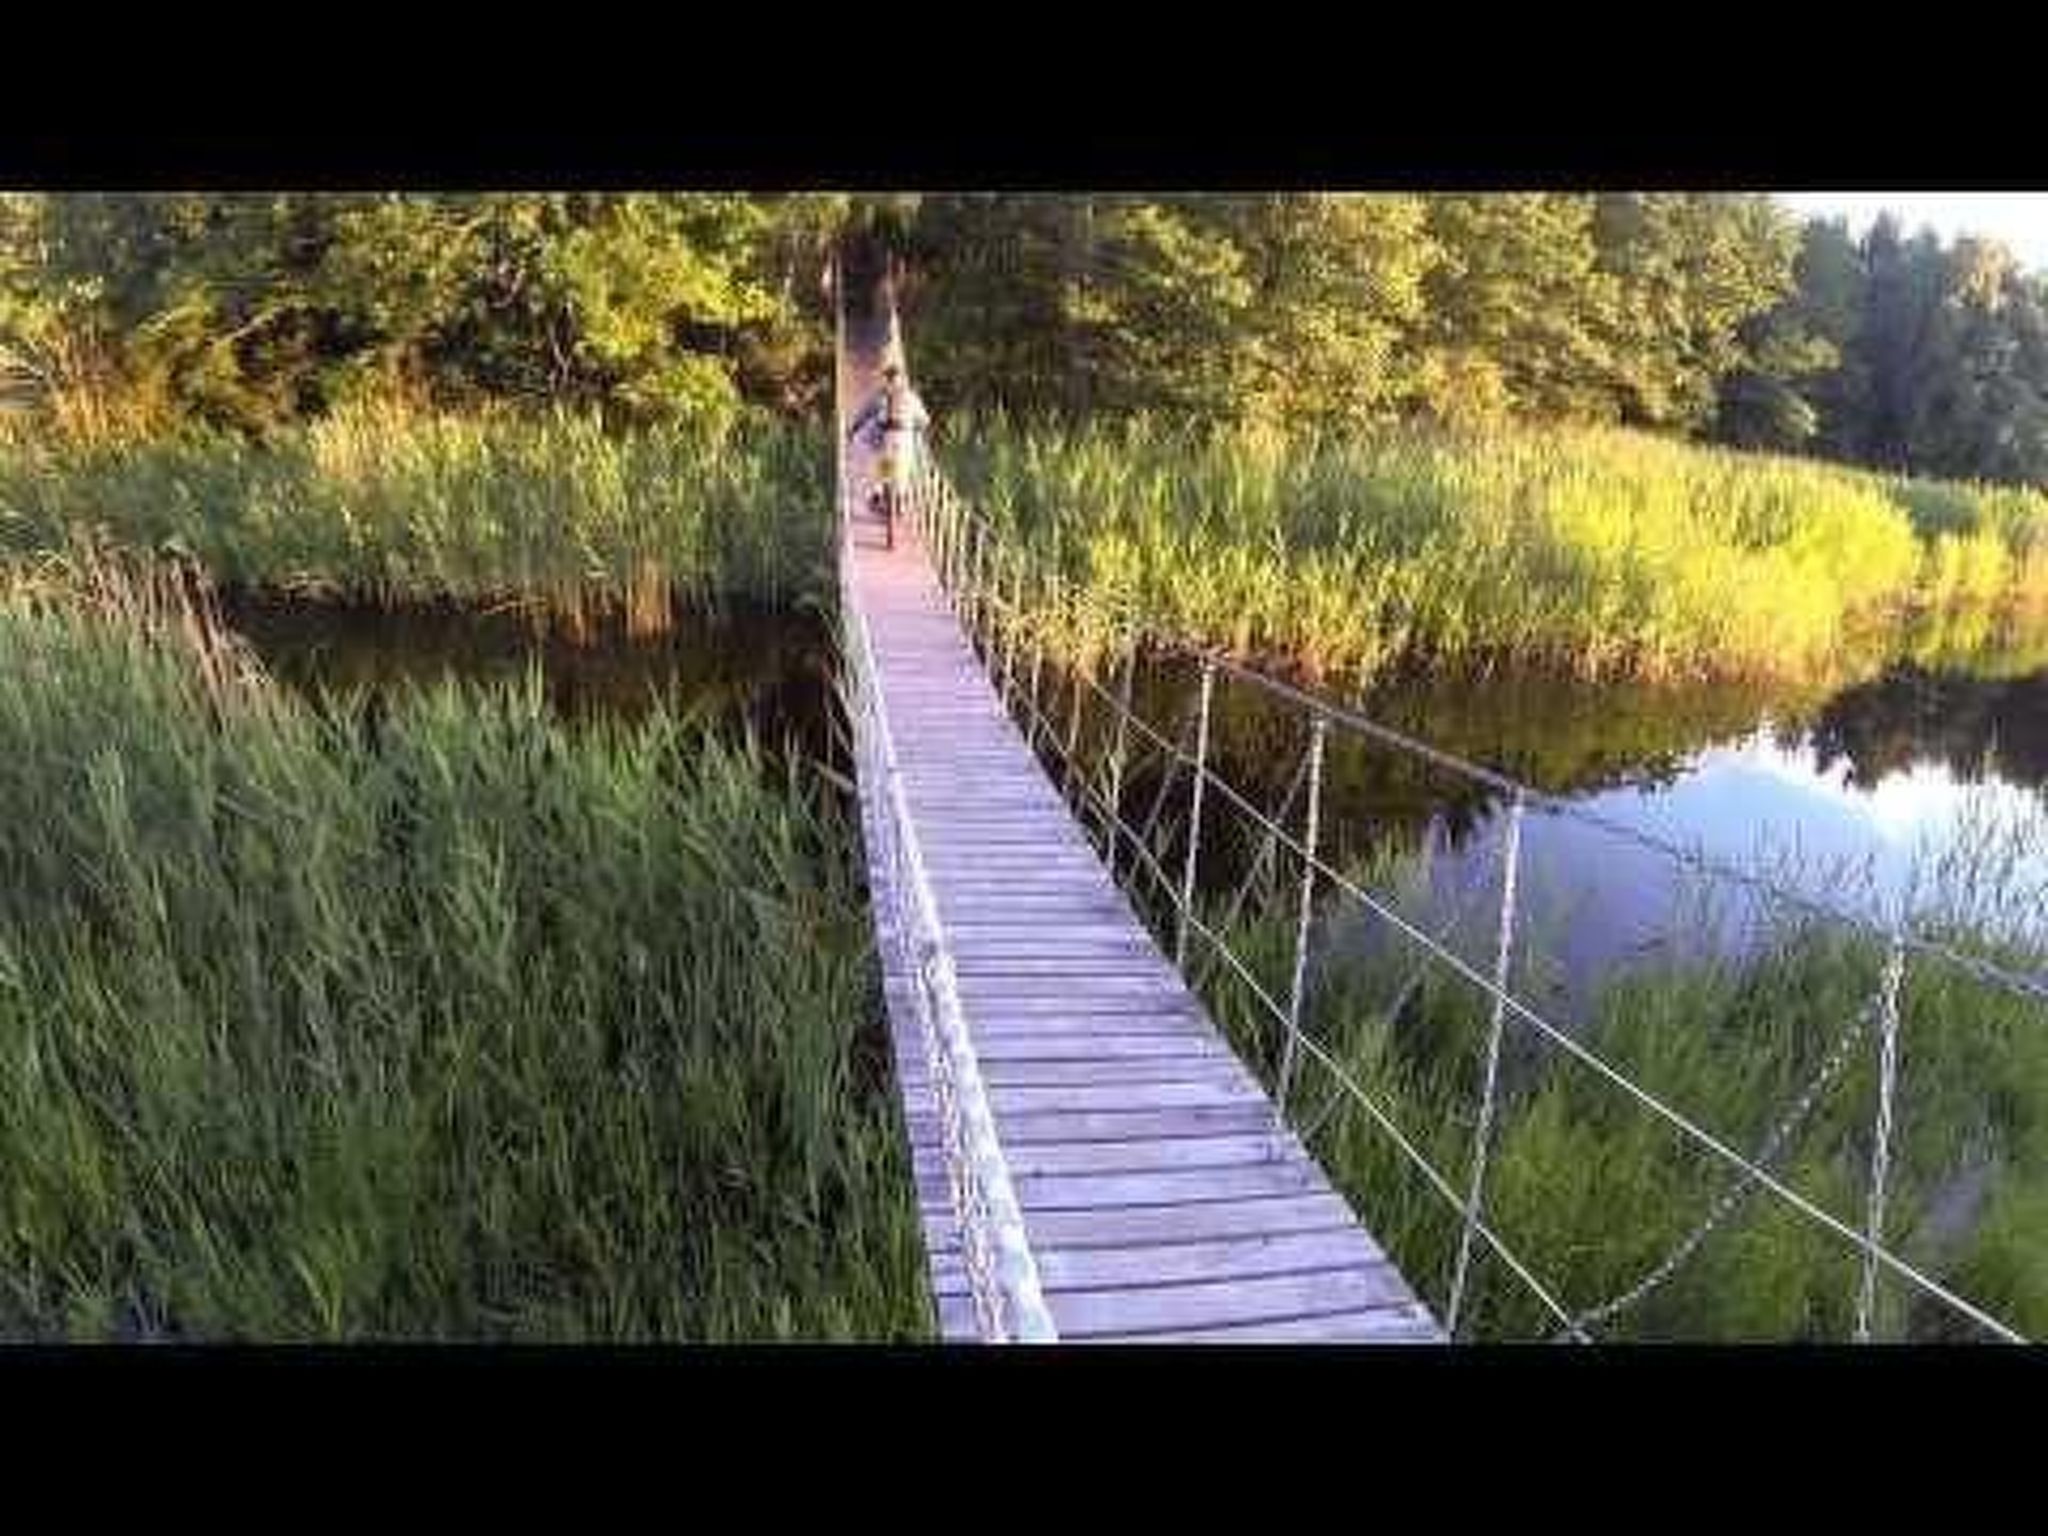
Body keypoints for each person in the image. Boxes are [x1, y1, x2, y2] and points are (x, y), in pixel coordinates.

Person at [847, 361, 930, 550]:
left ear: (886, 379)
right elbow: (925, 421)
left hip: (885, 442)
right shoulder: (911, 397)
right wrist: (917, 427)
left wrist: (852, 430)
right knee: (906, 470)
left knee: (881, 470)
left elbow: (862, 416)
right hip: (904, 441)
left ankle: (877, 496)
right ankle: (899, 501)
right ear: (901, 378)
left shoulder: (879, 396)